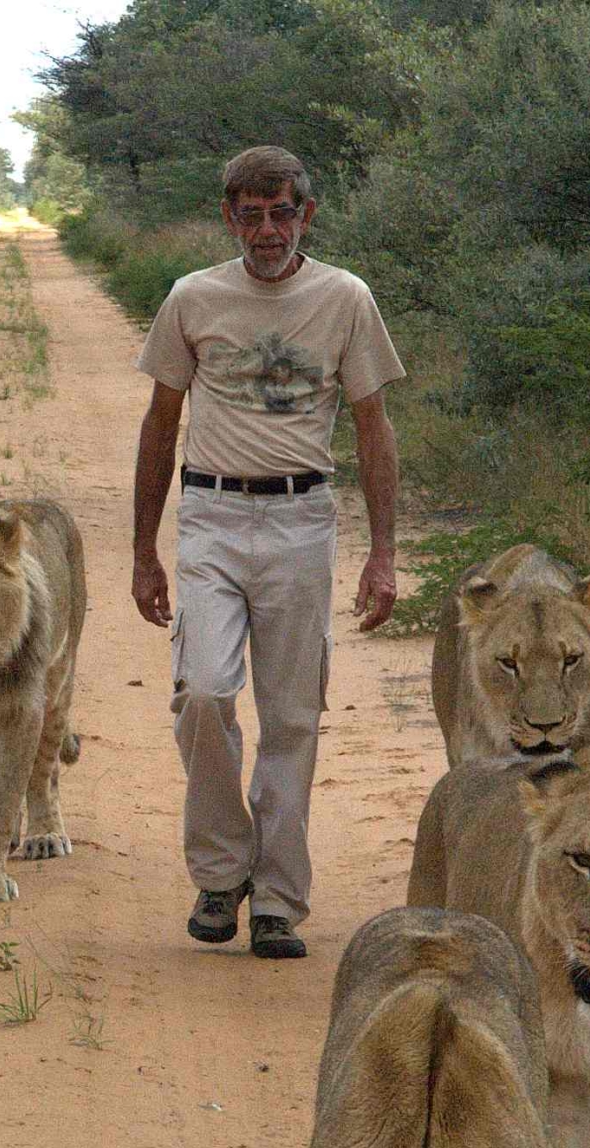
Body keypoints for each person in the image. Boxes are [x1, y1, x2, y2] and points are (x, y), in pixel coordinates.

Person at [129, 144, 406, 960]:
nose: (266, 230)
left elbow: (372, 428)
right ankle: (221, 873)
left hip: (301, 519)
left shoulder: (345, 298)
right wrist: (143, 551)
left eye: (281, 212)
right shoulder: (193, 298)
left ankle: (278, 899)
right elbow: (159, 422)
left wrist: (382, 554)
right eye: (249, 215)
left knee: (291, 716)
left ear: (306, 215)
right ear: (229, 218)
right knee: (206, 694)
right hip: (212, 514)